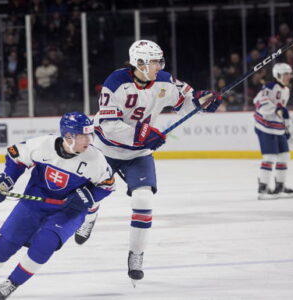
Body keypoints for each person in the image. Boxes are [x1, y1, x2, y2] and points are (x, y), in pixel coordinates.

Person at [74, 40, 222, 284]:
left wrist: (202, 102)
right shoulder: (115, 83)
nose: (159, 66)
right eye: (154, 61)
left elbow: (185, 102)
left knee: (144, 199)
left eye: (159, 60)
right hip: (106, 149)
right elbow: (109, 126)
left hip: (138, 153)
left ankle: (136, 254)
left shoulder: (164, 80)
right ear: (139, 63)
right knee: (90, 195)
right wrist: (142, 133)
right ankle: (89, 219)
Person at [0, 112, 115, 300]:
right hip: (34, 201)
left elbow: (107, 186)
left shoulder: (95, 159)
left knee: (45, 244)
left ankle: (12, 282)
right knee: (7, 242)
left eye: (89, 135)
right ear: (68, 136)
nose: (88, 140)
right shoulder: (43, 145)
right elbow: (15, 156)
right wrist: (6, 181)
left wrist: (86, 196)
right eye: (82, 136)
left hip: (68, 210)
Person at [253, 63, 293, 200]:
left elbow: (282, 111)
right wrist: (275, 108)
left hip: (277, 127)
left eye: (290, 74)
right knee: (269, 157)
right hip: (264, 126)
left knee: (284, 156)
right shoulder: (269, 87)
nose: (289, 77)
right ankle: (263, 188)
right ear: (277, 75)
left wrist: (286, 127)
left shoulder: (287, 90)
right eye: (286, 74)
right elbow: (259, 101)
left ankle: (280, 187)